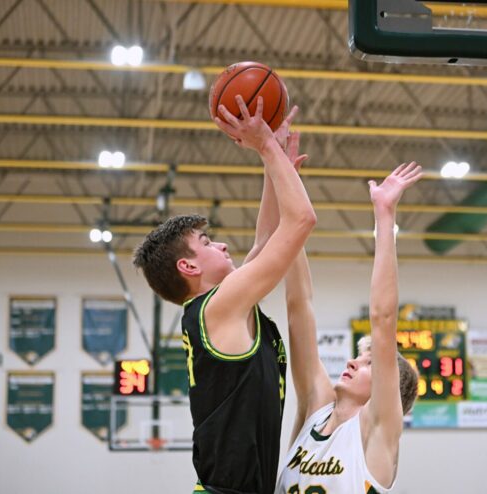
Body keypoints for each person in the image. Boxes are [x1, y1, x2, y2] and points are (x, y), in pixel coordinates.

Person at [132, 95, 316, 494]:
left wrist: (276, 162)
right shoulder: (218, 307)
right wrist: (267, 147)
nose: (221, 247)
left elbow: (267, 239)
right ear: (189, 266)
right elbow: (301, 219)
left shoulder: (221, 307)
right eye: (207, 242)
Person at [276, 162, 423, 494]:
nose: (354, 362)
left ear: (389, 390)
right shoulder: (315, 409)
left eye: (370, 363)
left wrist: (384, 215)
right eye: (361, 357)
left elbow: (383, 321)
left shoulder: (376, 428)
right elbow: (298, 308)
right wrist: (284, 180)